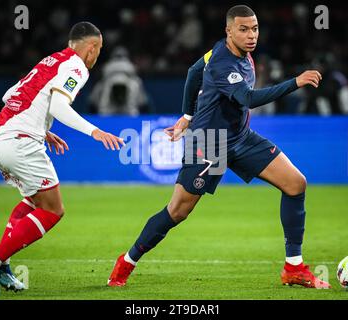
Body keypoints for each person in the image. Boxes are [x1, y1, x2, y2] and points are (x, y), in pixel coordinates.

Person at [108, 5, 331, 289]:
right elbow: (248, 99)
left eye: (255, 29)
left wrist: (186, 115)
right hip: (209, 142)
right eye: (243, 29)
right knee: (177, 211)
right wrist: (295, 82)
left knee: (296, 184)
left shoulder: (223, 52)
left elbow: (193, 71)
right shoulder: (223, 63)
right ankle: (126, 262)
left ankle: (294, 268)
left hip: (240, 137)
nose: (251, 35)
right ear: (229, 31)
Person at [0, 22, 124, 296]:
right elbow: (57, 105)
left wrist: (43, 130)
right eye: (99, 50)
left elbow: (11, 95)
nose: (97, 56)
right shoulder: (77, 67)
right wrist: (94, 131)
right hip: (19, 142)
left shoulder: (51, 60)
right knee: (53, 210)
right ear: (91, 47)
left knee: (33, 201)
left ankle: (3, 264)